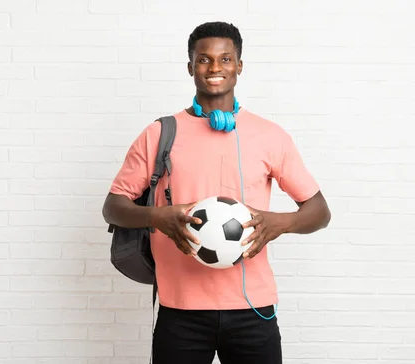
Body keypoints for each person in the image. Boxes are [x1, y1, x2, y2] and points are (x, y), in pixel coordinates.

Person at [101, 21, 331, 364]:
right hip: (180, 312)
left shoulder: (270, 135)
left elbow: (319, 212)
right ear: (190, 66)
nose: (214, 68)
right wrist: (156, 217)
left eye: (225, 59)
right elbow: (113, 207)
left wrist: (278, 223)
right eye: (204, 59)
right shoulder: (159, 134)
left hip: (253, 310)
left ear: (239, 65)